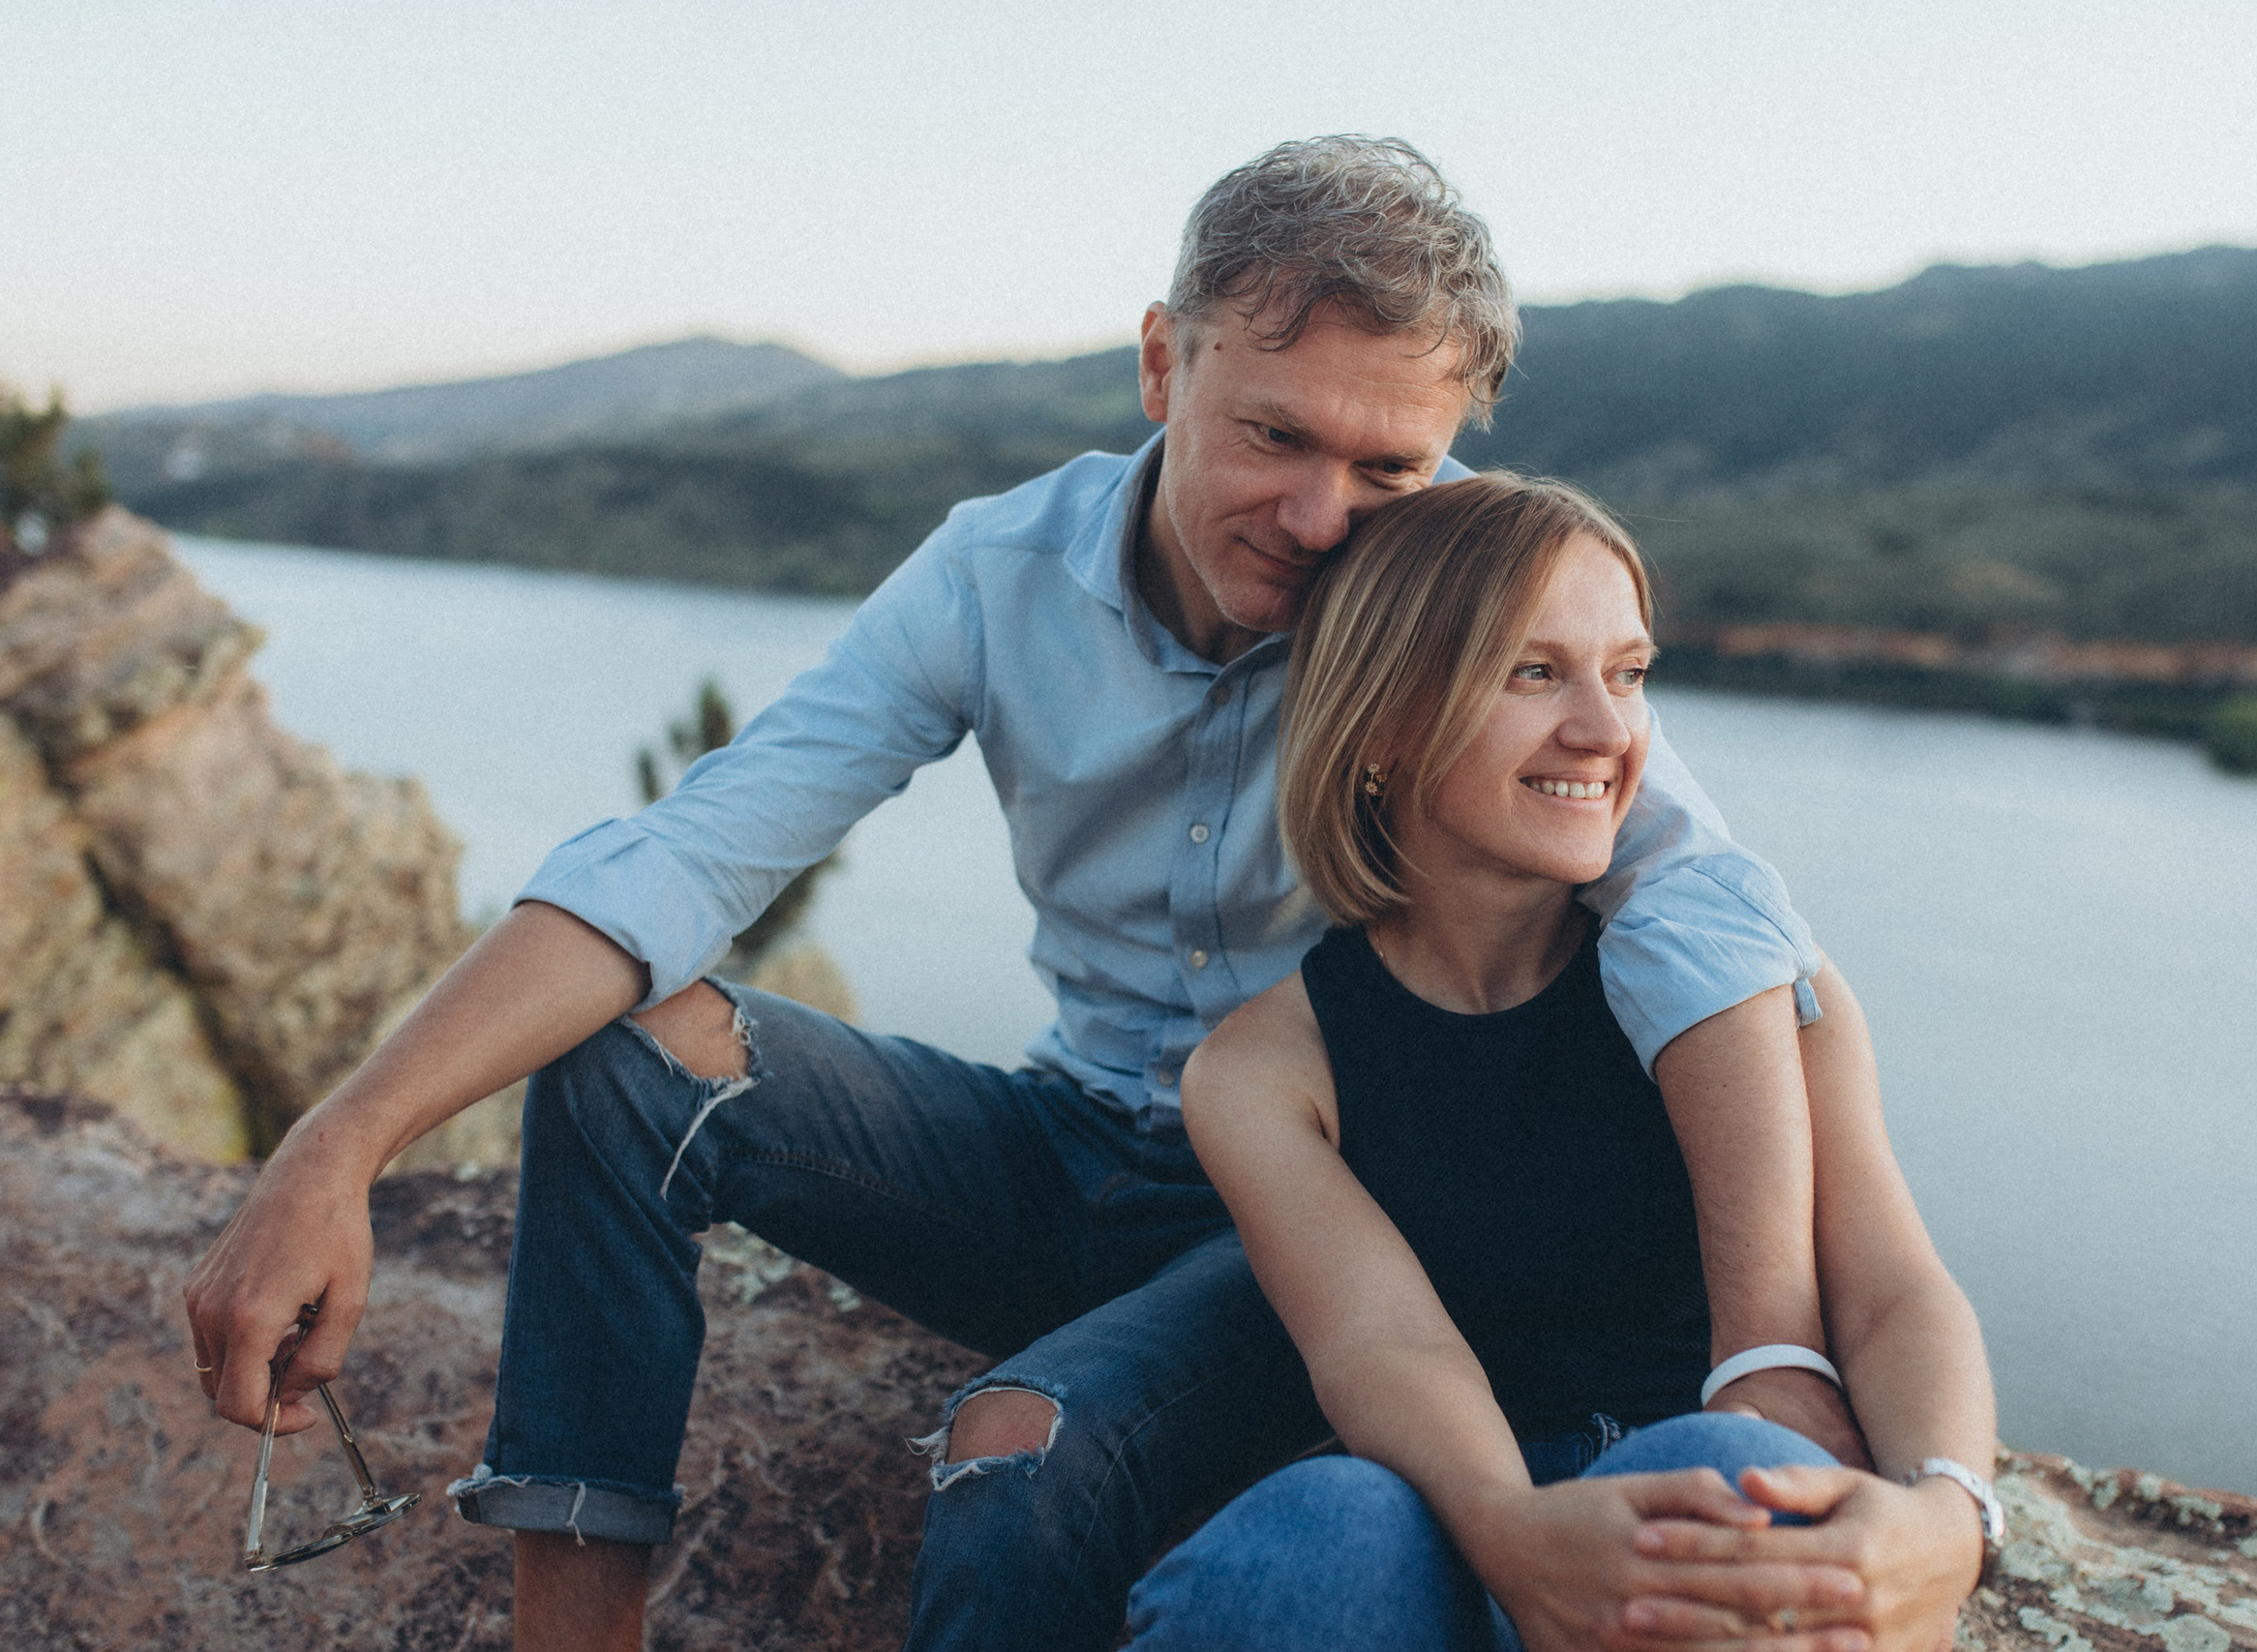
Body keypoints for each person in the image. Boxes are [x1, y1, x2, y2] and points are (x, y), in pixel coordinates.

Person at [185, 137, 1868, 1652]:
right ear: (1163, 362)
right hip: (1061, 1145)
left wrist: (1769, 1351)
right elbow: (696, 849)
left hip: (1309, 1226)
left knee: (1024, 1446)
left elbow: (1704, 911)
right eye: (1274, 432)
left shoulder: (1458, 633)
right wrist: (346, 1138)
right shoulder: (999, 569)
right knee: (634, 1056)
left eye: (1389, 473)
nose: (1316, 517)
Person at [1127, 473, 2001, 1652]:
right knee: (1310, 1541)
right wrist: (1512, 1532)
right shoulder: (1263, 1069)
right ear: (1380, 721)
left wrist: (1951, 1517)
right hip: (1457, 1506)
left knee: (1732, 1473)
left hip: (1690, 1508)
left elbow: (1893, 1292)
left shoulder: (1750, 988)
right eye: (1534, 672)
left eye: (1628, 673)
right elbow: (1383, 1344)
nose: (1606, 730)